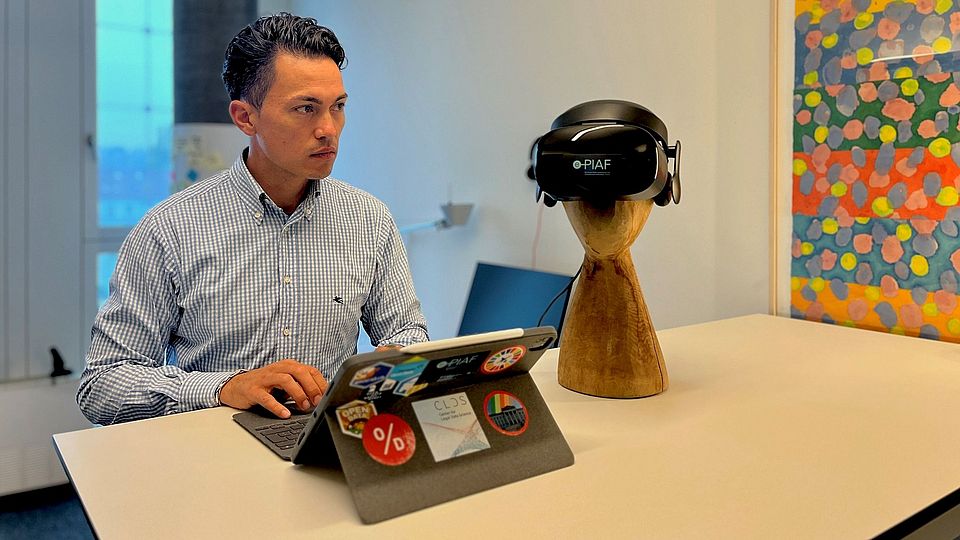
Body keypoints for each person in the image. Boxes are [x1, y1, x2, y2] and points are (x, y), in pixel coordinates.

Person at [77, 13, 428, 425]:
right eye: (305, 108)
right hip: (213, 455)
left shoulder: (370, 220)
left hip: (328, 444)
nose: (328, 130)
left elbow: (407, 335)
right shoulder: (169, 229)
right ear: (246, 117)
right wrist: (223, 388)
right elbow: (102, 384)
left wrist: (395, 361)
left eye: (338, 107)